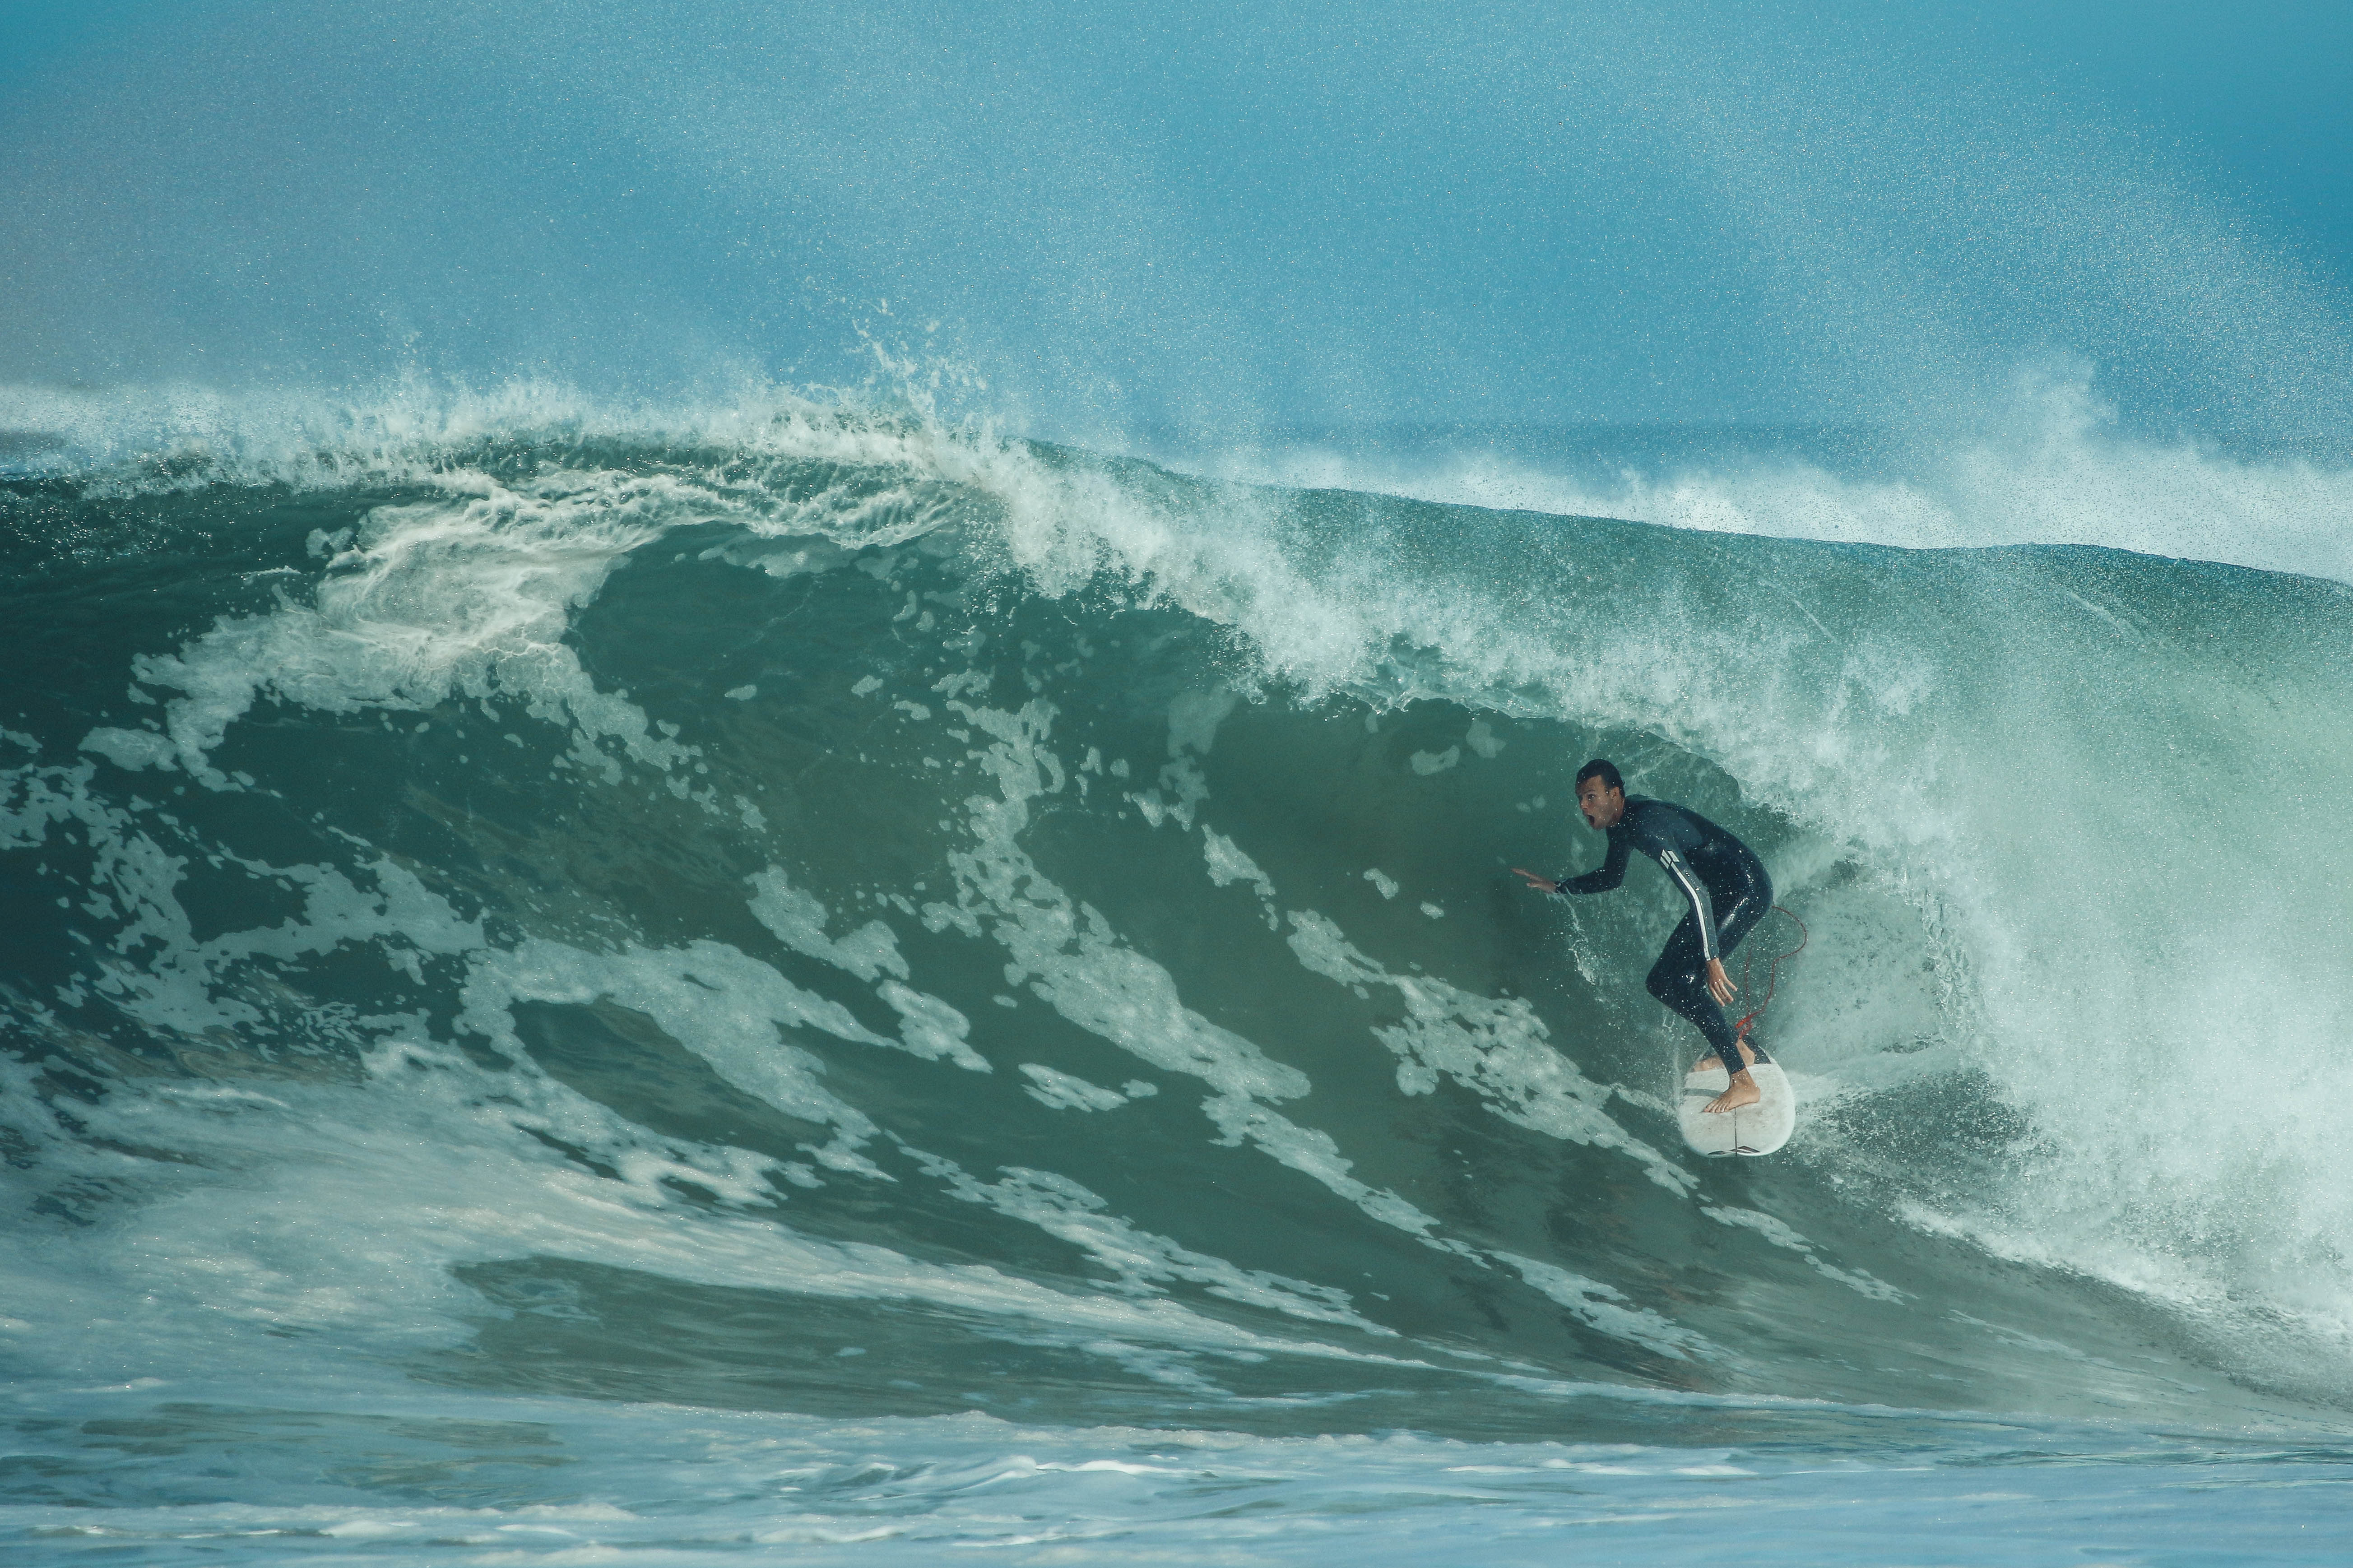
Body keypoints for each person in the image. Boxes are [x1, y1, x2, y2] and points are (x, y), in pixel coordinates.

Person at [1513, 760, 1774, 1113]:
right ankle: (1739, 1048)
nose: (1583, 806)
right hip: (1721, 893)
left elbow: (1696, 893)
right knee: (1661, 982)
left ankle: (1743, 1082)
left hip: (1745, 890)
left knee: (1686, 982)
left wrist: (1711, 959)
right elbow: (1611, 877)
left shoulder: (1645, 828)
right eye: (1580, 799)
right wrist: (1559, 887)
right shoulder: (1620, 823)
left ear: (1614, 794)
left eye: (1591, 797)